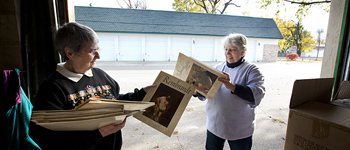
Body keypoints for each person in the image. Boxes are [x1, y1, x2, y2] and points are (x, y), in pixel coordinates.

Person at [29, 22, 155, 150]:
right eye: (92, 51)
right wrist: (97, 134)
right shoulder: (52, 88)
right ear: (70, 53)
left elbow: (115, 102)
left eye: (98, 49)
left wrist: (142, 93)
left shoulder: (100, 75)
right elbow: (45, 140)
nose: (98, 56)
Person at [194, 33, 265, 150]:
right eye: (226, 49)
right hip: (215, 125)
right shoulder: (217, 69)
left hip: (240, 129)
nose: (227, 53)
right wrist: (196, 91)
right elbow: (207, 91)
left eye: (232, 49)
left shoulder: (252, 70)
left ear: (243, 52)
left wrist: (232, 86)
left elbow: (257, 93)